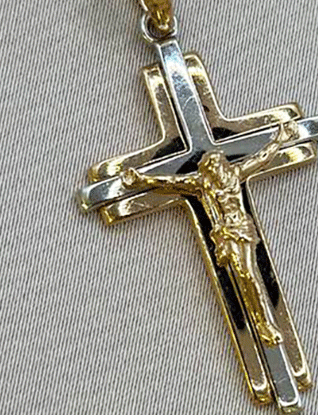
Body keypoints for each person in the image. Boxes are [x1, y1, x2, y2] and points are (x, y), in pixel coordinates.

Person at [121, 120, 300, 346]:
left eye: (219, 163)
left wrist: (281, 138)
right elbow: (170, 182)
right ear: (208, 170)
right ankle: (260, 321)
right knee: (242, 273)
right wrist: (141, 179)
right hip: (224, 233)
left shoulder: (235, 173)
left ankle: (263, 322)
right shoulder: (201, 184)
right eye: (213, 166)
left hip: (242, 229)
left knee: (249, 273)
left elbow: (262, 158)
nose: (218, 168)